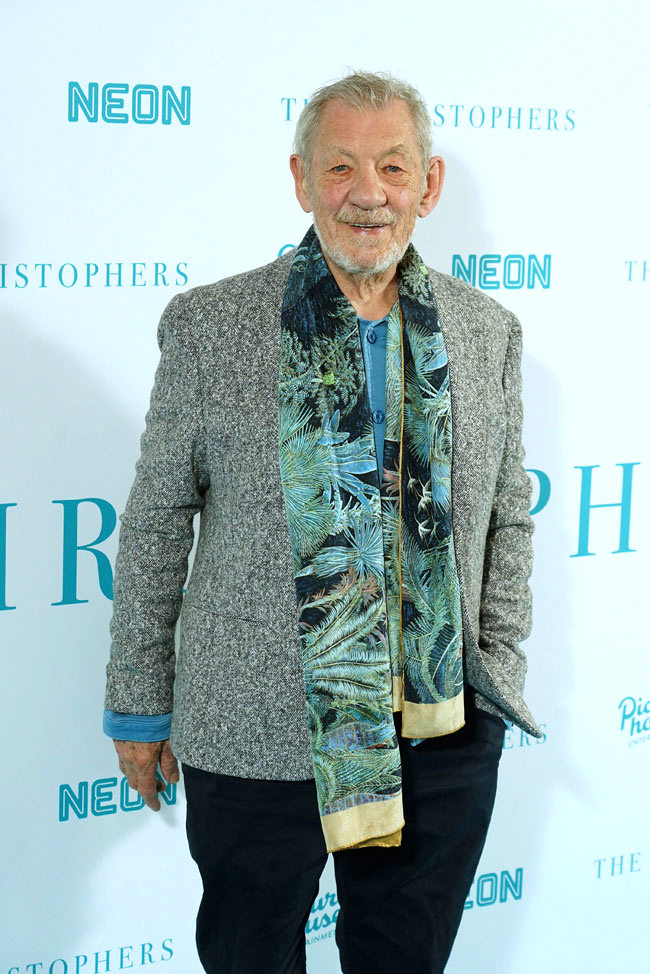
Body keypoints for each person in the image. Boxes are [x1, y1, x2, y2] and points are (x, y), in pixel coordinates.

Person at [103, 70, 542, 974]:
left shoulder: (489, 330)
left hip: (438, 728)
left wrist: (494, 667)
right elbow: (154, 525)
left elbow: (509, 519)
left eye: (392, 165)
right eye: (340, 167)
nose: (367, 193)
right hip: (258, 726)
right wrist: (139, 704)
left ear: (430, 183)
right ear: (301, 181)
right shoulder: (209, 325)